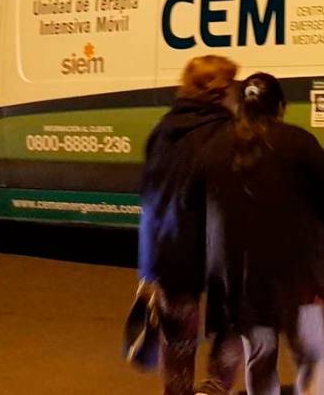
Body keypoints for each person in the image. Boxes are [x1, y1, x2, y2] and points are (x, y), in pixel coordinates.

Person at [201, 73, 324, 395]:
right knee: (311, 354)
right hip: (297, 271)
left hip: (244, 275)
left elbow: (203, 206)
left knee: (259, 357)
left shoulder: (217, 146)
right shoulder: (298, 142)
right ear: (281, 106)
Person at [138, 55, 242, 395]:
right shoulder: (232, 133)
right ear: (222, 91)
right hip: (223, 250)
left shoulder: (163, 129)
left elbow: (151, 193)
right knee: (232, 329)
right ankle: (213, 391)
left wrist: (149, 262)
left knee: (178, 337)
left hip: (171, 248)